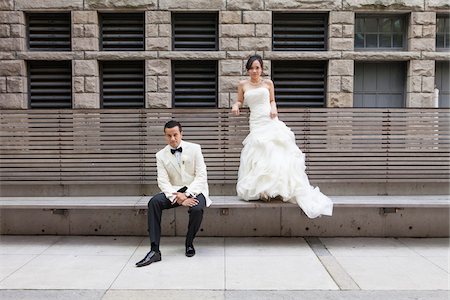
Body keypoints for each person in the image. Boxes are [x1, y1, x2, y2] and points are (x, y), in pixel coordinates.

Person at [231, 54, 333, 218]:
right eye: (251, 68)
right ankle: (262, 190)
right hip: (256, 122)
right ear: (248, 70)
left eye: (257, 67)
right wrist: (236, 105)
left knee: (276, 150)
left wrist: (274, 108)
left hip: (270, 119)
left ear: (261, 69)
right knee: (259, 152)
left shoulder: (268, 83)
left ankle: (276, 189)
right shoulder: (243, 84)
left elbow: (272, 100)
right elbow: (240, 101)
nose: (254, 71)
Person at [135, 120, 211, 267]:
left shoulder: (195, 149)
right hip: (174, 191)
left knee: (196, 208)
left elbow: (201, 176)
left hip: (195, 189)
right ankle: (154, 250)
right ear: (165, 136)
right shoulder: (160, 155)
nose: (172, 139)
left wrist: (188, 194)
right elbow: (163, 182)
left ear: (181, 134)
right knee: (154, 202)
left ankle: (189, 243)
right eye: (169, 136)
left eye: (175, 135)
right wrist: (179, 198)